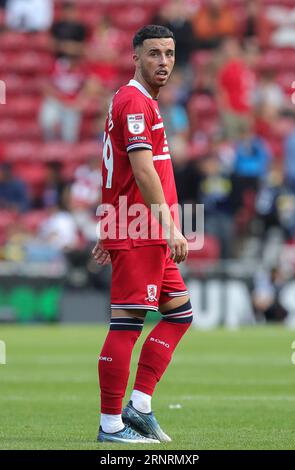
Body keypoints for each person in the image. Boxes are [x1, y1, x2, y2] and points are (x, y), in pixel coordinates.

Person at [92, 25, 192, 444]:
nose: (163, 61)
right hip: (143, 228)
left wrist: (109, 222)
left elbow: (117, 166)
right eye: (154, 53)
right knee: (127, 324)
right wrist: (170, 226)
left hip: (133, 223)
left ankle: (140, 406)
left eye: (169, 53)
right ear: (136, 57)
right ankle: (111, 425)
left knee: (180, 314)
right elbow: (141, 168)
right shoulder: (135, 100)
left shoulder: (137, 100)